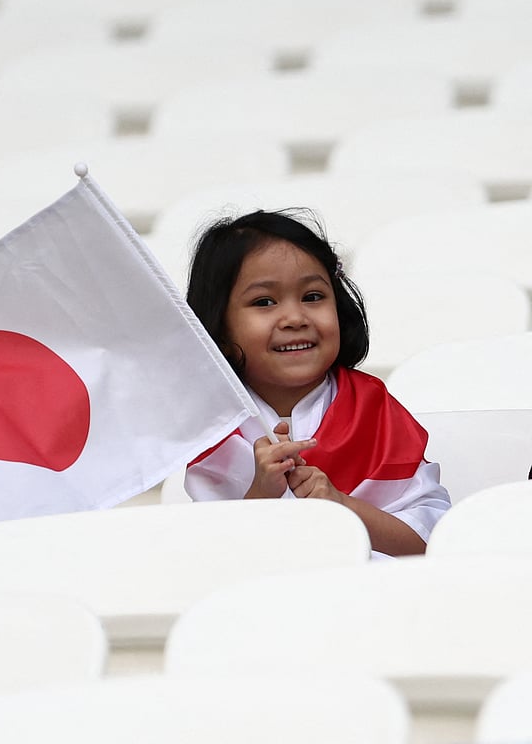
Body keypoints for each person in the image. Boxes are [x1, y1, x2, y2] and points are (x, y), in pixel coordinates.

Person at [184, 209, 450, 557]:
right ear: (216, 328)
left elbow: (429, 541)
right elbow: (211, 557)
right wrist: (262, 492)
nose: (295, 318)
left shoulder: (374, 409)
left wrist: (341, 506)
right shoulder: (216, 428)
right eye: (264, 302)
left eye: (312, 296)